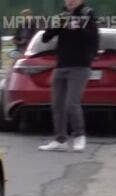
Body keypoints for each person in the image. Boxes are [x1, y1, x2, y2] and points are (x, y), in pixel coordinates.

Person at [38, 0, 98, 151]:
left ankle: (79, 136)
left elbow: (93, 38)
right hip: (61, 65)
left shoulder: (88, 14)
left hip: (79, 66)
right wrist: (57, 23)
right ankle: (60, 140)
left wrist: (89, 57)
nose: (71, 1)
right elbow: (46, 38)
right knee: (57, 105)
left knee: (72, 104)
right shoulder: (61, 16)